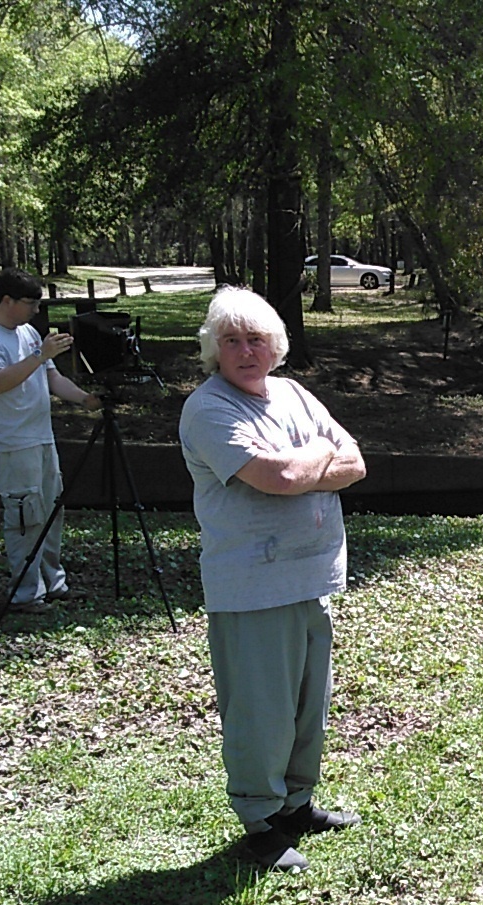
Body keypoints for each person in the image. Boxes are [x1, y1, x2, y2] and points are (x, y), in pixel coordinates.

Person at [179, 287, 367, 871]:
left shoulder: (291, 393)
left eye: (255, 339)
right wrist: (314, 456)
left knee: (309, 705)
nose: (244, 351)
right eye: (230, 340)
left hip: (312, 576)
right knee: (260, 709)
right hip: (251, 585)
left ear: (276, 346)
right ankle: (259, 820)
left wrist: (300, 464)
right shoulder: (209, 408)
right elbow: (278, 476)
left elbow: (356, 463)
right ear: (213, 348)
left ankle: (296, 804)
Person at [0, 268, 100, 613]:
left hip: (41, 438)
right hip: (8, 442)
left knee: (52, 509)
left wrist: (87, 399)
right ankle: (25, 594)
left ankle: (54, 583)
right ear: (6, 300)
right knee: (26, 516)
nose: (36, 310)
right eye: (30, 303)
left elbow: (52, 379)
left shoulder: (27, 333)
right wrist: (40, 355)